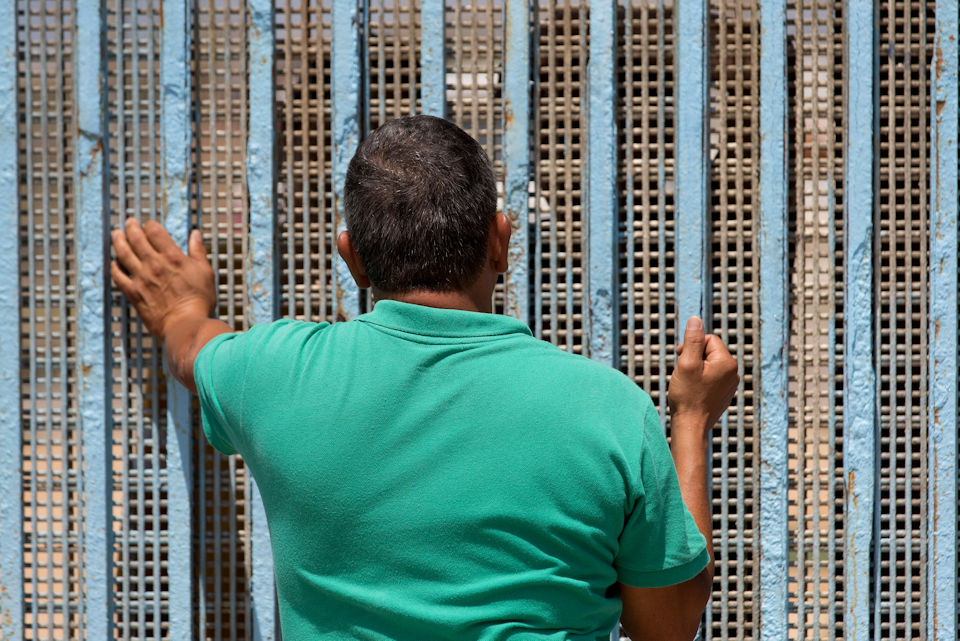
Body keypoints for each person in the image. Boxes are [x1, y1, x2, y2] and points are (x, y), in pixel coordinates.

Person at [110, 115, 739, 641]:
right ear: (501, 242)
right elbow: (669, 626)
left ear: (350, 256)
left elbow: (192, 350)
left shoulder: (276, 373)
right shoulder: (609, 411)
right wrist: (688, 422)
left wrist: (184, 309)